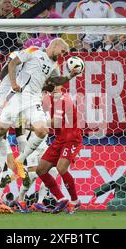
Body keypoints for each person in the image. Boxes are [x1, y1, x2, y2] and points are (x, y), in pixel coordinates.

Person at [0, 39, 80, 180]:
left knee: (42, 131)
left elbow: (55, 81)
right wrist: (13, 83)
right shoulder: (34, 50)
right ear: (55, 45)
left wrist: (69, 77)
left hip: (34, 100)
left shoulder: (54, 64)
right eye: (62, 51)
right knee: (1, 129)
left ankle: (20, 160)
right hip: (18, 95)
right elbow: (12, 63)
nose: (62, 55)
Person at [36, 85, 83, 214]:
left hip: (72, 137)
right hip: (59, 139)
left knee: (61, 168)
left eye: (57, 85)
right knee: (41, 170)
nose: (55, 88)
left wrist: (37, 124)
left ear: (62, 86)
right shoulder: (48, 98)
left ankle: (74, 201)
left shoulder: (65, 99)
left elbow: (56, 121)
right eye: (52, 85)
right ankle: (61, 199)